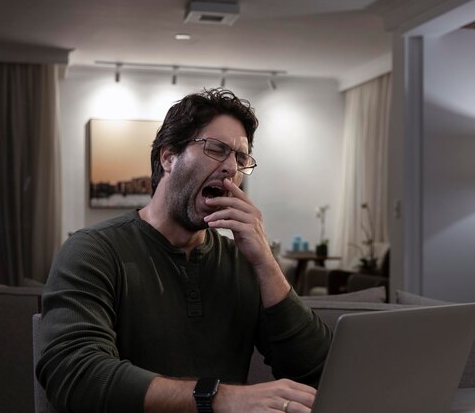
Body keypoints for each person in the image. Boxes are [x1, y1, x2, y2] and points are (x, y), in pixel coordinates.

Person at [36, 88, 332, 413]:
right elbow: (73, 375)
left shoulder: (243, 260)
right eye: (217, 149)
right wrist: (219, 398)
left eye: (241, 158)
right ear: (168, 158)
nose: (231, 168)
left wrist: (265, 262)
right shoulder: (92, 250)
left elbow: (318, 374)